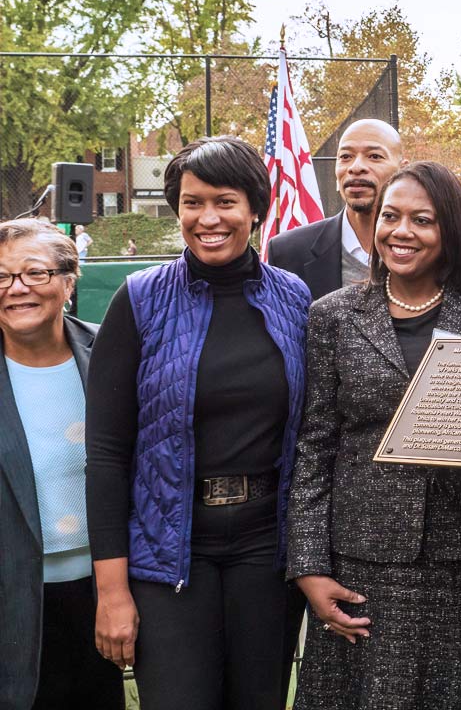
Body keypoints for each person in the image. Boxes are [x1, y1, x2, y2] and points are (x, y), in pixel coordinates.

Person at [287, 161, 461, 709]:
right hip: (361, 562)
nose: (402, 231)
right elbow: (315, 444)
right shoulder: (335, 315)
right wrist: (309, 567)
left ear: (451, 230)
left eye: (423, 220)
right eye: (391, 217)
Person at [85, 136, 311, 710]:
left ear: (255, 209)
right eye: (192, 202)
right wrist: (112, 592)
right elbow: (108, 454)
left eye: (225, 202)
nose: (208, 218)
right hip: (168, 554)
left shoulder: (294, 301)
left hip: (266, 549)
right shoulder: (139, 300)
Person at [0, 219, 123, 710]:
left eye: (35, 273)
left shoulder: (113, 353)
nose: (17, 289)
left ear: (69, 283)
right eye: (2, 277)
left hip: (103, 593)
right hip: (12, 598)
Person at [267, 118, 406, 301]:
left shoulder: (432, 249)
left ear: (403, 170)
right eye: (345, 157)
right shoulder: (288, 252)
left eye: (374, 156)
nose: (356, 167)